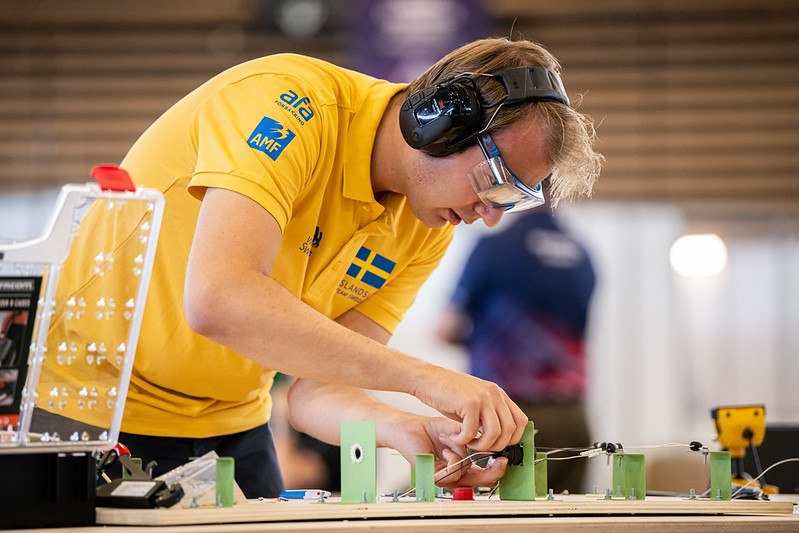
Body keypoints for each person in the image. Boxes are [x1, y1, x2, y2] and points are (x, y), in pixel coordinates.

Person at [46, 37, 602, 497]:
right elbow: (219, 300)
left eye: (515, 199)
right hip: (89, 411)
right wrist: (428, 379)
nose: (491, 216)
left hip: (231, 425)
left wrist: (409, 428)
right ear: (437, 121)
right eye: (495, 182)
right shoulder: (285, 104)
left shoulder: (425, 223)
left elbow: (313, 394)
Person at [437, 188, 597, 493]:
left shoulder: (496, 246)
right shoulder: (582, 254)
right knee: (565, 513)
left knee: (487, 511)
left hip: (506, 418)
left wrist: (481, 342)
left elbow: (446, 328)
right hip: (571, 417)